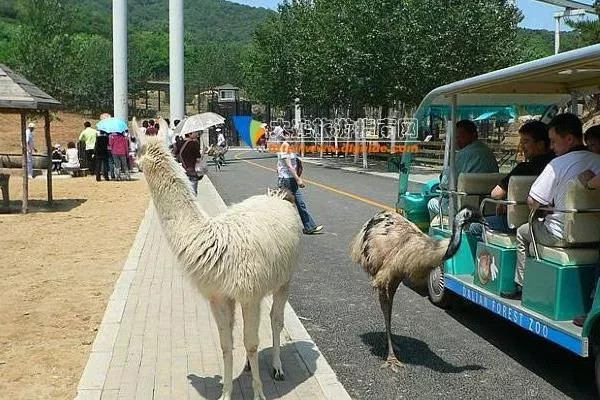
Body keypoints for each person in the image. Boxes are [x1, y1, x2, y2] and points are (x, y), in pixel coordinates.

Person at [503, 113, 600, 300]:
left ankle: (521, 286)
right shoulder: (597, 160)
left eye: (554, 142)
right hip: (595, 236)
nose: (552, 147)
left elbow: (533, 201)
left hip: (559, 234)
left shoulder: (557, 164)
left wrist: (546, 204)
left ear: (569, 139)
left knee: (523, 232)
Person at [469, 121, 555, 240]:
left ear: (540, 144)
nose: (522, 146)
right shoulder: (556, 166)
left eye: (526, 141)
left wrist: (505, 199)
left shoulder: (524, 168)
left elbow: (496, 193)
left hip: (519, 223)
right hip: (546, 220)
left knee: (474, 226)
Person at [428, 119, 499, 220]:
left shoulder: (464, 154)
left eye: (461, 136)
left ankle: (441, 232)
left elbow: (445, 183)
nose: (457, 140)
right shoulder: (488, 152)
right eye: (456, 137)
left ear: (474, 135)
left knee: (432, 203)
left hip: (464, 207)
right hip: (488, 206)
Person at [275, 127, 323, 235]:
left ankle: (309, 227)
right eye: (290, 135)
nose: (293, 137)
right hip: (286, 181)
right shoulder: (284, 147)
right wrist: (298, 179)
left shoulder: (290, 147)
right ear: (285, 135)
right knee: (285, 206)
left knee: (300, 204)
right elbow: (289, 166)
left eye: (294, 135)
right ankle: (280, 229)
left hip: (291, 179)